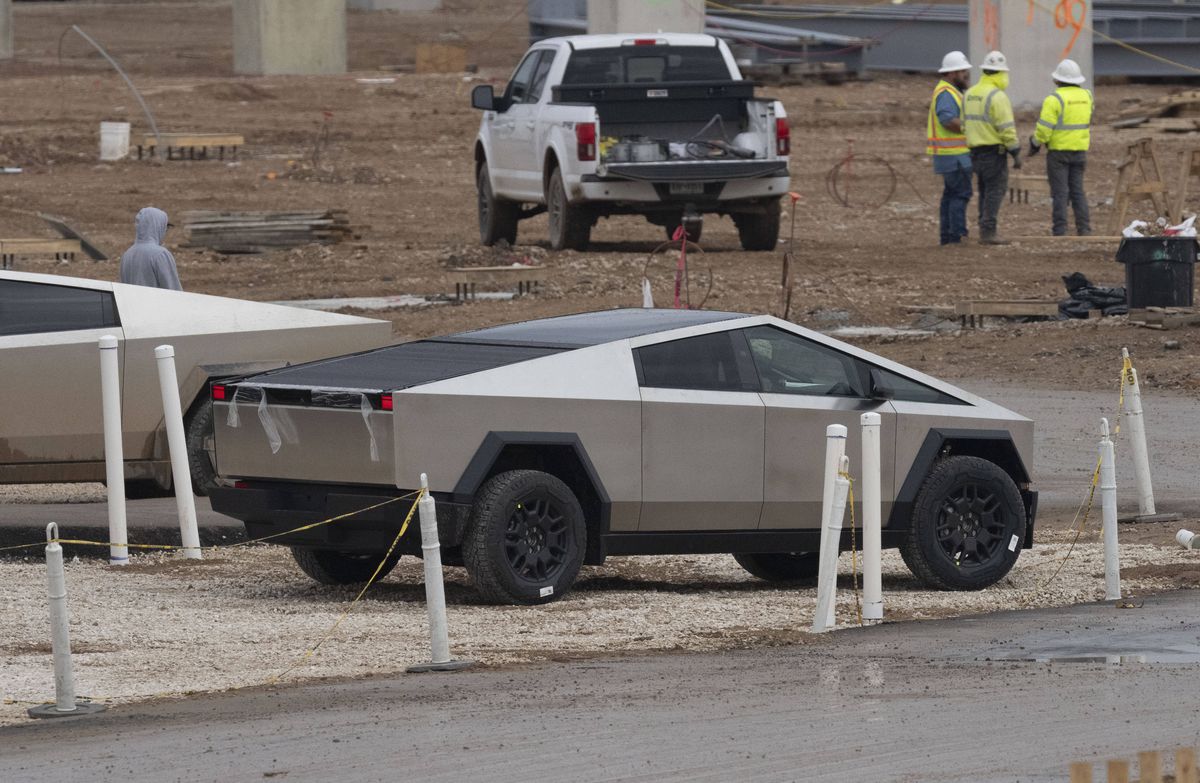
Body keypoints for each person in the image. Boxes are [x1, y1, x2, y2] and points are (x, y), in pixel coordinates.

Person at [1028, 59, 1093, 236]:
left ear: (1057, 79)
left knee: (1060, 192)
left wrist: (1035, 143)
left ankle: (1060, 229)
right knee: (1078, 191)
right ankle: (1084, 228)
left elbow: (1044, 129)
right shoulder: (1087, 96)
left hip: (1058, 153)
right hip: (1079, 151)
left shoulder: (1054, 99)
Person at [964, 51, 1021, 245]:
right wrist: (1015, 152)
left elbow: (964, 124)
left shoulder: (970, 94)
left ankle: (984, 228)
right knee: (995, 191)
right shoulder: (998, 96)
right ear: (1000, 73)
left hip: (974, 153)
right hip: (993, 154)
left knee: (984, 190)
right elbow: (1006, 129)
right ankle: (988, 231)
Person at [927, 51, 974, 246]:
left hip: (949, 155)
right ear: (952, 73)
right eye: (962, 71)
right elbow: (947, 119)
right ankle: (956, 235)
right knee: (960, 194)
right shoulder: (947, 93)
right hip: (954, 155)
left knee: (950, 195)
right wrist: (971, 128)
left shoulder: (949, 91)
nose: (966, 75)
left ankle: (947, 237)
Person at [119, 206, 182, 290]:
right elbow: (174, 291)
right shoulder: (160, 255)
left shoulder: (127, 255)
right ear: (157, 227)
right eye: (164, 228)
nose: (165, 233)